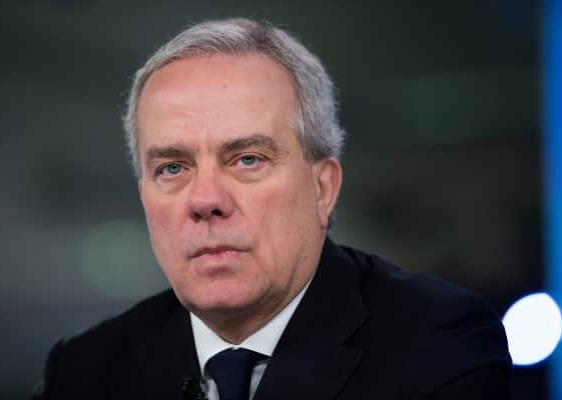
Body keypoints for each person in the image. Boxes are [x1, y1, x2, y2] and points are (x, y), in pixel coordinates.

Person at [32, 18, 511, 400]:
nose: (205, 201)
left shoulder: (436, 344)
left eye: (247, 159)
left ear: (322, 188)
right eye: (172, 168)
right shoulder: (83, 372)